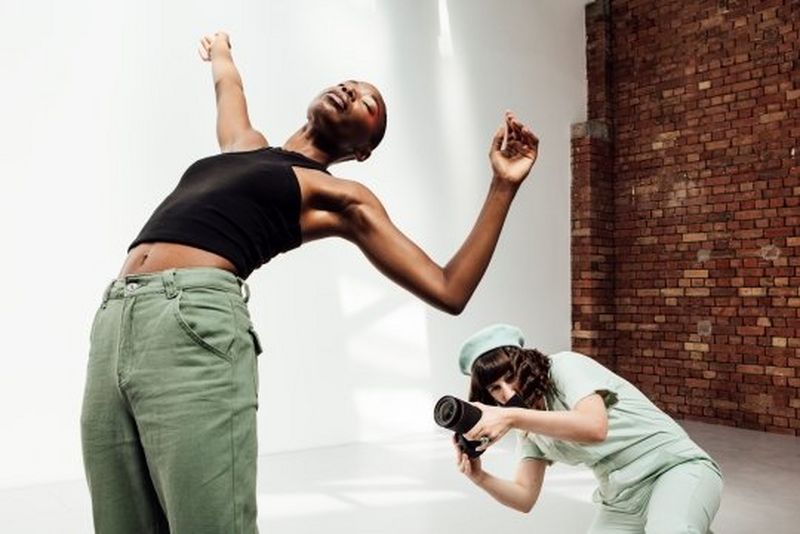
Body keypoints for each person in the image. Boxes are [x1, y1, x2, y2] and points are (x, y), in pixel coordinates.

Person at [80, 31, 539, 533]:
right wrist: (223, 53)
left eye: (369, 101)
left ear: (363, 149)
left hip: (193, 323)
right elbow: (228, 89)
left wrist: (502, 185)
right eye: (349, 82)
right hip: (116, 323)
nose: (352, 90)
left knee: (208, 522)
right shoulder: (243, 148)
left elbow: (449, 288)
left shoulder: (339, 195)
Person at [452, 324, 723, 533]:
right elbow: (524, 497)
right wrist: (480, 477)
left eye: (511, 377)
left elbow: (594, 427)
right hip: (621, 501)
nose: (508, 391)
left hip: (674, 469)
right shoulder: (527, 423)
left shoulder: (564, 366)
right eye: (495, 388)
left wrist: (512, 416)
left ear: (524, 365)